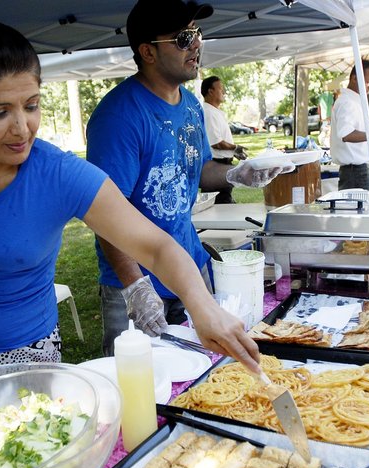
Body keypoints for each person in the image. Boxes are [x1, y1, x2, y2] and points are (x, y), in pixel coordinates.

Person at [0, 19, 262, 378]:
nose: (21, 127)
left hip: (28, 352)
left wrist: (203, 307)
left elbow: (156, 246)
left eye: (31, 106)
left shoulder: (58, 173)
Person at [86, 0, 291, 356]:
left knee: (196, 373)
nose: (195, 44)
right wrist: (135, 286)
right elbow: (104, 214)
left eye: (196, 33)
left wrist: (235, 174)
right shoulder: (119, 116)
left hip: (188, 269)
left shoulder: (192, 105)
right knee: (139, 392)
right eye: (183, 38)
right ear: (148, 52)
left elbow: (196, 172)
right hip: (134, 281)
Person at [330, 59, 369, 190]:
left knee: (367, 208)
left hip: (359, 169)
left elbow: (356, 134)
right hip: (354, 172)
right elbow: (347, 134)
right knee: (359, 209)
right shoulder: (347, 102)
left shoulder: (354, 101)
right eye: (368, 81)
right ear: (354, 78)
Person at [200, 75, 247, 204]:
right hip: (216, 165)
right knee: (220, 204)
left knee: (224, 201)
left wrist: (234, 152)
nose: (224, 92)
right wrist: (235, 147)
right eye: (221, 89)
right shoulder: (208, 112)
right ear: (210, 91)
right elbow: (216, 143)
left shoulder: (215, 111)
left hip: (222, 162)